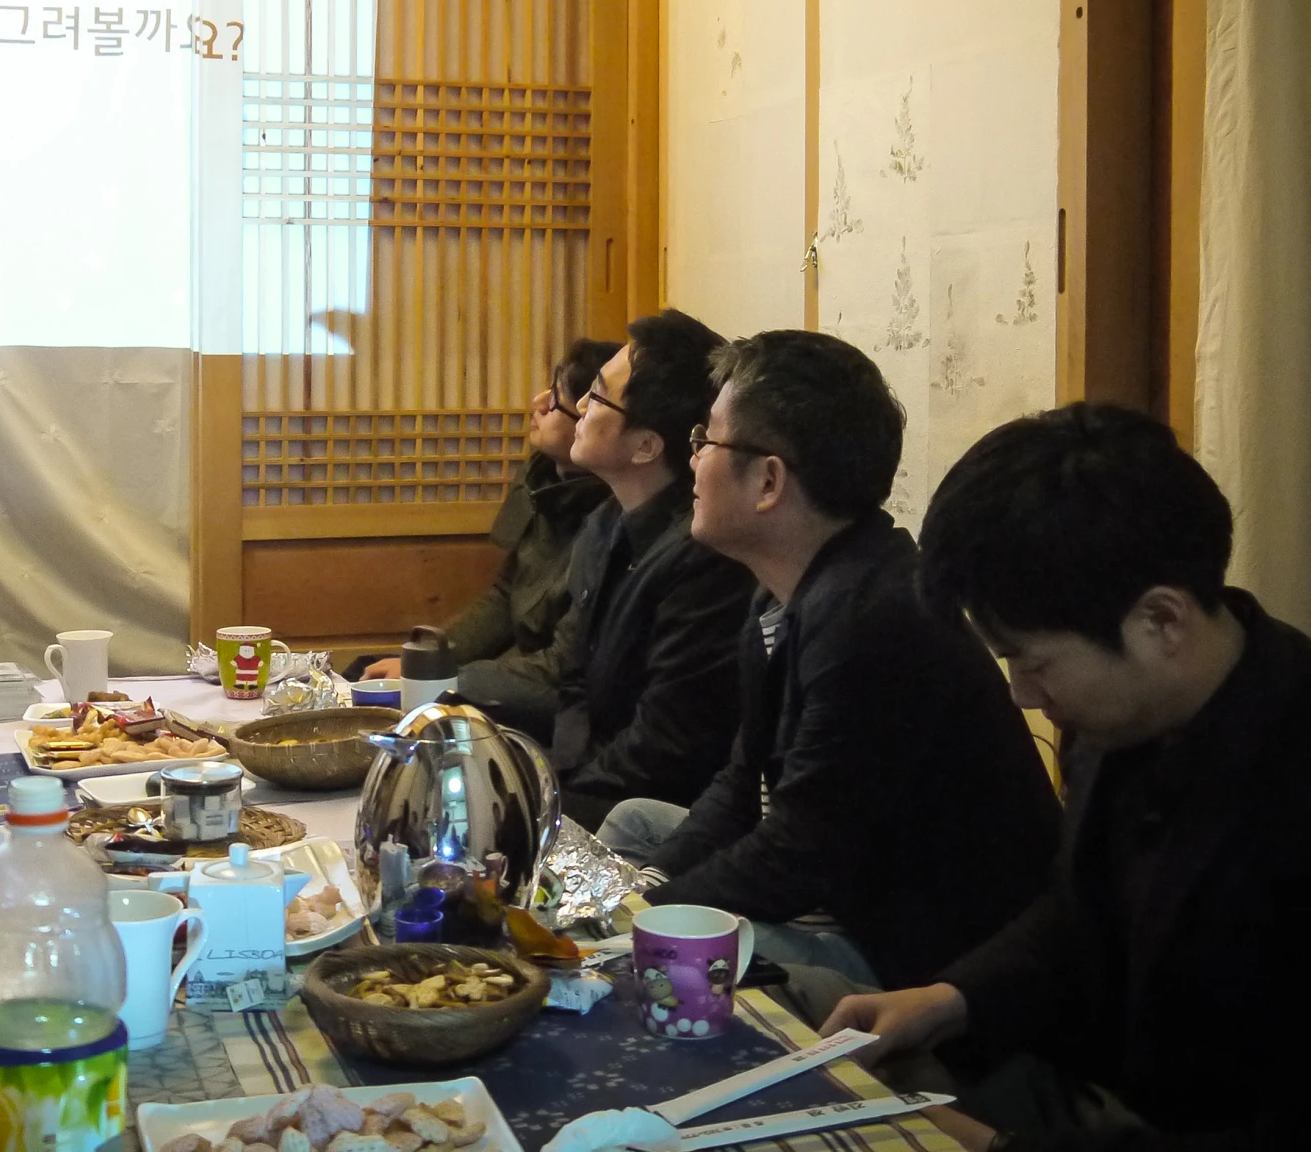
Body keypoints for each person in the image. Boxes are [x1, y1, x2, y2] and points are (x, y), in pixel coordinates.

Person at [822, 405, 1311, 1152]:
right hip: (1119, 1101)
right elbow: (1082, 912)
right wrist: (950, 998)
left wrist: (993, 1148)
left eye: (1033, 660)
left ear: (1162, 621)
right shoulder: (1124, 722)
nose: (1022, 693)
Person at [599, 331, 1057, 1000]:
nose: (692, 460)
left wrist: (642, 918)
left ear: (767, 480)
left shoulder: (874, 618)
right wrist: (650, 893)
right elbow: (740, 779)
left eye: (706, 440)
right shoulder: (786, 586)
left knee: (637, 952)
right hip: (831, 885)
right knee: (635, 825)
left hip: (893, 943)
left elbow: (796, 853)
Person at [550, 309, 756, 829]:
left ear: (646, 444)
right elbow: (573, 679)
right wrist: (562, 779)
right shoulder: (604, 522)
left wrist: (559, 805)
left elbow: (666, 744)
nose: (577, 406)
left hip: (656, 808)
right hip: (591, 782)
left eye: (595, 395)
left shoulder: (703, 554)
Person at [365, 338, 618, 739]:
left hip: (552, 707)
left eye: (556, 399)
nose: (538, 402)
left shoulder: (613, 517)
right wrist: (427, 661)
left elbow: (561, 664)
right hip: (512, 674)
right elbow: (505, 594)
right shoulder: (544, 481)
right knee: (364, 673)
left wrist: (446, 680)